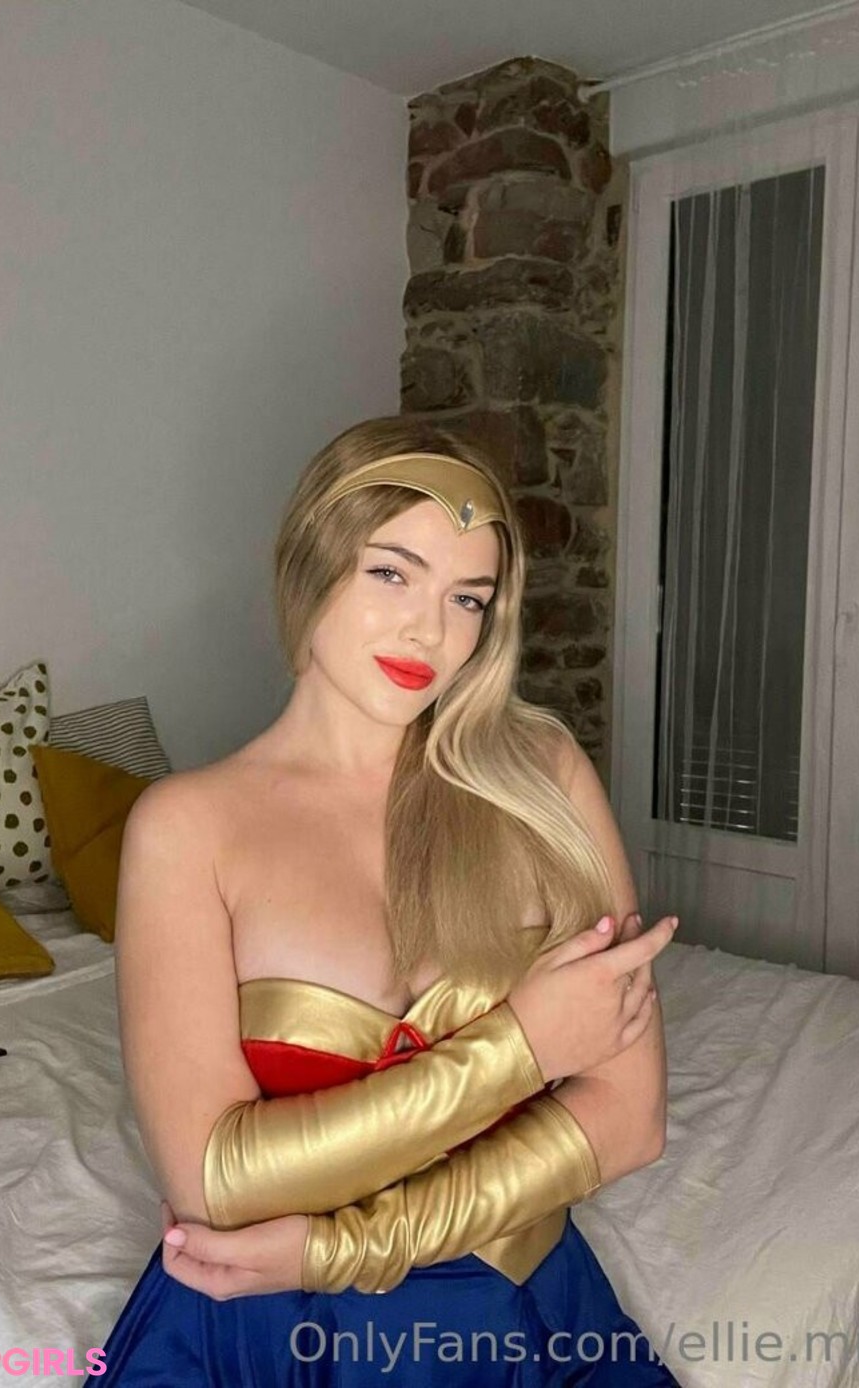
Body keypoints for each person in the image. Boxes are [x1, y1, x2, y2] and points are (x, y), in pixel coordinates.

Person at [87, 417, 682, 1385]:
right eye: (391, 573)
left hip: (520, 1315)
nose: (428, 631)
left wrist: (338, 1246)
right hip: (266, 1340)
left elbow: (631, 1118)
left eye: (467, 598)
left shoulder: (541, 776)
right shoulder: (186, 826)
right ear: (312, 563)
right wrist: (524, 1044)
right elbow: (212, 1179)